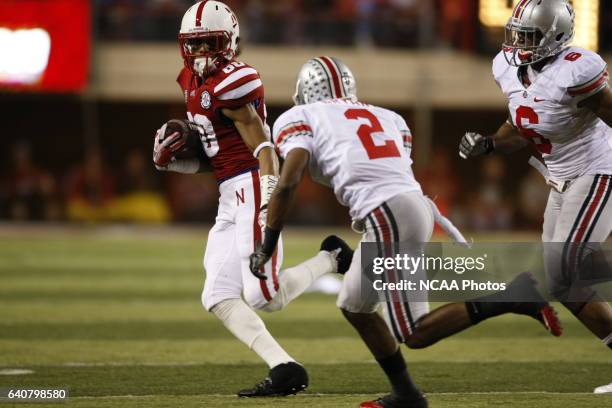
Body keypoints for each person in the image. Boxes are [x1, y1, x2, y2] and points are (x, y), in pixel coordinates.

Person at [249, 56, 562, 408]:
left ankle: (511, 295)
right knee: (355, 305)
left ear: (304, 90)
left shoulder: (299, 116)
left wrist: (267, 243)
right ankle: (406, 395)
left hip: (389, 215)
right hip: (408, 207)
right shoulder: (389, 118)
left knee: (413, 332)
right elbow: (383, 169)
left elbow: (289, 181)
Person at [152, 1, 350, 397]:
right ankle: (285, 367)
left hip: (255, 183)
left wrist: (268, 198)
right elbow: (216, 159)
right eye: (195, 45)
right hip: (230, 191)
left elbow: (263, 145)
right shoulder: (190, 82)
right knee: (217, 295)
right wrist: (173, 165)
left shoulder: (234, 81)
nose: (201, 54)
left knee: (265, 297)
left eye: (209, 43)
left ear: (229, 42)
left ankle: (331, 258)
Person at [459, 0, 612, 394]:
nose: (517, 42)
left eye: (528, 35)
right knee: (561, 283)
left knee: (569, 261)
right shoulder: (507, 67)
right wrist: (490, 145)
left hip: (598, 169)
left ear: (555, 35)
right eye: (517, 33)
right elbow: (519, 125)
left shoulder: (577, 68)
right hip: (560, 177)